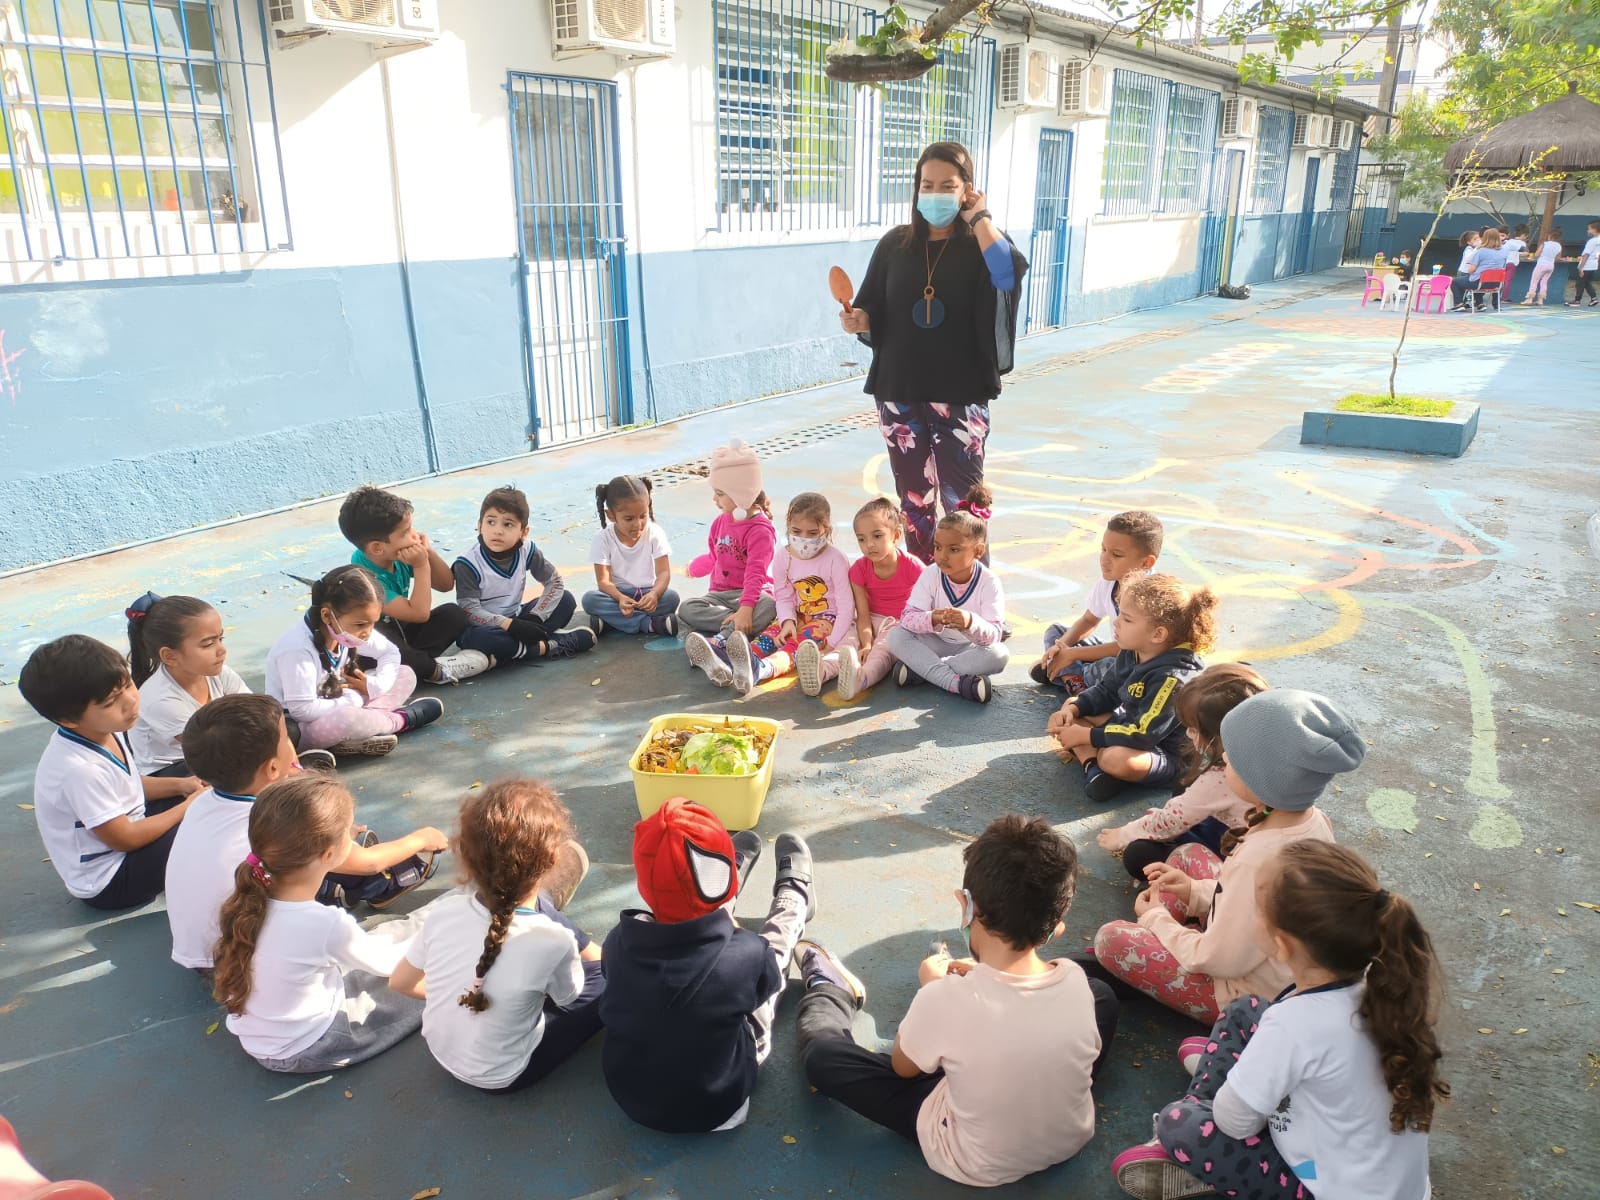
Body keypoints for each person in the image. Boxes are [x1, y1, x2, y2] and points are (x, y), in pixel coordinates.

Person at [794, 814, 1116, 1188]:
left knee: (824, 1059)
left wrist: (930, 989)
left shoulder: (943, 997)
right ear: (1057, 925)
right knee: (1103, 997)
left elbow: (903, 1070)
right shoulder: (1076, 981)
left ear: (966, 906)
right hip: (1068, 1138)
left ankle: (830, 990)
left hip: (972, 1156)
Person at [1111, 842, 1447, 1200]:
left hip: (1322, 1189)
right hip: (1382, 1178)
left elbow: (1234, 1122)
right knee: (1245, 1010)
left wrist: (1232, 1099)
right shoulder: (1377, 987)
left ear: (1281, 944)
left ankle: (1205, 1154)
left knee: (1178, 1123)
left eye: (1254, 908)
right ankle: (1234, 1078)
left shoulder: (1292, 1025)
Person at [1089, 690, 1363, 1023]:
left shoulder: (1258, 860)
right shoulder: (1311, 820)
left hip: (1238, 994)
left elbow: (1216, 960)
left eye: (1231, 758)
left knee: (1112, 940)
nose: (1224, 762)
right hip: (1254, 950)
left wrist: (1155, 920)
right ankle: (1164, 939)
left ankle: (1151, 953)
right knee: (1188, 854)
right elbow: (1241, 899)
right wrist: (1193, 890)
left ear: (1262, 777)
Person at [841, 140, 1028, 562]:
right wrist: (860, 320)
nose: (936, 192)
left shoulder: (982, 244)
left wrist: (978, 217)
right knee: (914, 505)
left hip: (960, 393)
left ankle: (977, 598)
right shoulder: (895, 245)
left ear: (968, 189)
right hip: (899, 390)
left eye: (948, 185)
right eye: (927, 184)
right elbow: (873, 307)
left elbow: (1007, 273)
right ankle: (925, 593)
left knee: (963, 505)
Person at [165, 694, 447, 972]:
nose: (292, 742)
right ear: (273, 767)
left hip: (200, 952)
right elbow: (369, 861)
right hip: (241, 964)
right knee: (342, 853)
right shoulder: (281, 818)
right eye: (286, 738)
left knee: (316, 846)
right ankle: (373, 887)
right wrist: (420, 838)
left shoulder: (204, 800)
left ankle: (334, 888)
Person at [598, 798, 812, 1132]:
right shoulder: (744, 954)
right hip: (720, 1105)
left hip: (633, 1101)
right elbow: (766, 982)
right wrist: (735, 937)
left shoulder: (617, 942)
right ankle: (794, 900)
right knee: (776, 950)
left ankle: (704, 893)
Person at [390, 780, 606, 1092]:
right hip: (504, 1075)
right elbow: (570, 999)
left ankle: (540, 906)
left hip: (441, 1052)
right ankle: (543, 906)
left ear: (466, 855)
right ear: (552, 862)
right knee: (609, 979)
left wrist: (463, 993)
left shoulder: (443, 912)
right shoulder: (554, 941)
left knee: (540, 928)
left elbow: (400, 982)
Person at [213, 775, 425, 1072]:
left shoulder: (250, 898)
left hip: (269, 1036)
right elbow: (391, 964)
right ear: (329, 854)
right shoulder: (324, 923)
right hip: (310, 1046)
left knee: (387, 935)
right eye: (347, 836)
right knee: (439, 978)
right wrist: (441, 938)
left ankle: (441, 918)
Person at [18, 635, 202, 910]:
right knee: (204, 822)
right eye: (111, 701)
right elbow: (124, 839)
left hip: (129, 840)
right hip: (112, 881)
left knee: (199, 773)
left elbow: (126, 785)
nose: (130, 701)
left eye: (127, 684)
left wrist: (181, 786)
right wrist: (187, 808)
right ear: (68, 719)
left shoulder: (101, 730)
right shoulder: (80, 770)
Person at [1046, 573, 1215, 802]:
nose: (1116, 623)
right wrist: (1073, 711)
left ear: (1158, 634)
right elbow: (1106, 691)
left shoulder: (1172, 679)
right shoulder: (1133, 650)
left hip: (1166, 753)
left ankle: (1103, 765)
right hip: (1130, 728)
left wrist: (1087, 735)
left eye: (1126, 619)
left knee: (1115, 759)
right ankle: (1094, 770)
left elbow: (1143, 735)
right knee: (1071, 706)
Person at [1096, 663, 1267, 881]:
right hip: (1241, 833)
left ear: (1222, 737)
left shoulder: (1219, 779)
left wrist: (1123, 834)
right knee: (1186, 780)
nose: (1188, 733)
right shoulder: (1266, 752)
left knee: (1138, 854)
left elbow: (1169, 822)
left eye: (1194, 729)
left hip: (1235, 866)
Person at [265, 565, 443, 757]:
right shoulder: (297, 649)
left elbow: (390, 653)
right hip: (304, 727)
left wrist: (374, 686)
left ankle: (362, 730)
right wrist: (354, 699)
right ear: (327, 616)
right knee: (347, 719)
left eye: (373, 623)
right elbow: (302, 710)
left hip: (343, 702)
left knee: (405, 673)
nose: (367, 632)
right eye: (361, 624)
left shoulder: (345, 629)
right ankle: (399, 721)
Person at [339, 485, 488, 684]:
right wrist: (420, 566)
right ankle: (434, 671)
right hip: (373, 644)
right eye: (406, 532)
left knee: (454, 614)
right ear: (377, 548)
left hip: (402, 630)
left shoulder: (396, 554)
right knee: (384, 640)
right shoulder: (363, 579)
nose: (414, 536)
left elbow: (446, 584)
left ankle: (401, 671)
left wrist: (428, 553)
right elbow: (419, 614)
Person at [720, 491, 857, 697]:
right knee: (771, 636)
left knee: (796, 647)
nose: (804, 539)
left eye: (812, 533)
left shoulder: (835, 559)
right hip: (796, 614)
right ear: (788, 527)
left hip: (827, 619)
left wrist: (833, 642)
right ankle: (739, 663)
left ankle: (762, 670)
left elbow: (846, 606)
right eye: (796, 531)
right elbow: (783, 596)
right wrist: (787, 622)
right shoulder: (783, 556)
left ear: (826, 529)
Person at [884, 483, 1006, 703]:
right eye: (938, 547)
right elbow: (908, 618)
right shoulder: (931, 574)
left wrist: (970, 622)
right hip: (935, 641)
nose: (942, 556)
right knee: (895, 636)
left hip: (969, 649)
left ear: (978, 551)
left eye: (954, 549)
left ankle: (921, 671)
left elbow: (994, 635)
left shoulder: (990, 582)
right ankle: (957, 683)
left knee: (999, 655)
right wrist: (933, 618)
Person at [451, 484, 597, 663]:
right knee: (478, 639)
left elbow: (554, 581)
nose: (497, 530)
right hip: (485, 627)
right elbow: (469, 610)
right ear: (479, 525)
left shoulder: (527, 550)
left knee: (566, 600)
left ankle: (510, 652)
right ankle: (549, 646)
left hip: (517, 616)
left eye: (508, 524)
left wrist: (535, 617)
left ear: (523, 532)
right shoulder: (467, 563)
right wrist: (509, 625)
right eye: (491, 521)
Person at [1033, 510, 1163, 693]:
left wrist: (1072, 654)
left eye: (1116, 555)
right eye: (1103, 550)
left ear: (1146, 563)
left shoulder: (1149, 596)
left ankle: (1067, 674)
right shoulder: (1110, 582)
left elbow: (1129, 651)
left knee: (1113, 667)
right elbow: (1089, 620)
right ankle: (1073, 681)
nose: (1104, 559)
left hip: (1139, 664)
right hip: (1118, 652)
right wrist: (1060, 648)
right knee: (1057, 632)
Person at [682, 441, 779, 681]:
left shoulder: (760, 531)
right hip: (721, 597)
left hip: (752, 596)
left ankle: (721, 640)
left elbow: (756, 573)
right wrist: (694, 569)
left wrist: (745, 610)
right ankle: (722, 636)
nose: (715, 499)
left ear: (741, 493)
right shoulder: (720, 522)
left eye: (721, 493)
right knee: (686, 608)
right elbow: (715, 557)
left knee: (770, 606)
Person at [841, 497, 924, 700]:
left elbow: (926, 608)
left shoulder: (914, 567)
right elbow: (862, 614)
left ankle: (860, 680)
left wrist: (873, 646)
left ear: (896, 536)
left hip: (899, 624)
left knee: (881, 651)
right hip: (870, 621)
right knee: (847, 642)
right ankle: (822, 671)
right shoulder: (859, 569)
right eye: (861, 539)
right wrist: (865, 642)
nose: (869, 545)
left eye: (877, 536)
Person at [582, 475, 679, 637]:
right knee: (590, 600)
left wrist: (654, 594)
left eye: (643, 515)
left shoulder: (655, 532)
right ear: (611, 515)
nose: (638, 524)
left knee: (671, 598)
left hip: (647, 594)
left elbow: (664, 573)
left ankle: (610, 622)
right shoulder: (602, 538)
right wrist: (620, 597)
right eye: (629, 518)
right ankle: (648, 624)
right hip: (616, 595)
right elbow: (604, 582)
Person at [1454, 228, 1506, 311]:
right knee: (1477, 279)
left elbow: (1471, 270)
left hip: (1480, 282)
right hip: (1496, 284)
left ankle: (1459, 304)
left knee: (1455, 281)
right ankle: (1486, 304)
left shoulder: (1481, 251)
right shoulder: (1504, 251)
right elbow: (1503, 267)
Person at [1565, 219, 1600, 306]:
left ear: (1594, 229)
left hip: (1587, 264)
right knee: (1586, 282)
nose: (1588, 230)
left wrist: (1581, 267)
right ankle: (1594, 298)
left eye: (1589, 228)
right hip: (1594, 264)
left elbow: (1586, 255)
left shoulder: (1592, 241)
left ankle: (1577, 301)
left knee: (1580, 283)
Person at [1525, 227, 1563, 305]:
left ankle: (1530, 298)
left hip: (1541, 264)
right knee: (1544, 282)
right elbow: (1558, 258)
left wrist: (1535, 256)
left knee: (1534, 281)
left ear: (1550, 235)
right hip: (1551, 265)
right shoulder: (1559, 246)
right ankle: (1540, 300)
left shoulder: (1545, 244)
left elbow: (1536, 254)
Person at [1446, 230, 1481, 310]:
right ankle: (1460, 303)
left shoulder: (1479, 249)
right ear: (1469, 242)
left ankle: (1475, 303)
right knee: (1461, 289)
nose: (1478, 240)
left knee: (1472, 287)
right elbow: (1469, 258)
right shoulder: (1468, 249)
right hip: (1463, 272)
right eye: (1475, 239)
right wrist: (1477, 248)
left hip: (1472, 272)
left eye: (1479, 238)